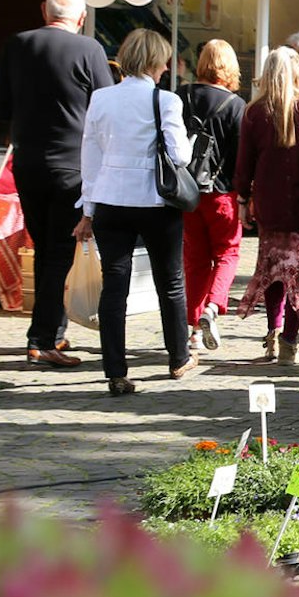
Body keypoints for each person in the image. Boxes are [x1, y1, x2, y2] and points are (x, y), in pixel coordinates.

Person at [0, 0, 114, 367]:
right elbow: (106, 105)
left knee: (45, 249)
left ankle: (53, 332)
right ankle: (41, 339)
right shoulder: (89, 50)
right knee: (60, 253)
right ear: (79, 18)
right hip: (71, 167)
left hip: (28, 163)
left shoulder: (18, 44)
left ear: (44, 12)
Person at [73, 28, 196, 396]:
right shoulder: (167, 100)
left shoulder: (101, 98)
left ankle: (115, 370)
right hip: (156, 201)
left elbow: (90, 158)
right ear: (157, 62)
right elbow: (180, 156)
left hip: (111, 199)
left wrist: (88, 209)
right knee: (170, 282)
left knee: (114, 287)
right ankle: (178, 357)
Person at [235, 47, 299, 364]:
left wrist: (242, 199)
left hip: (270, 205)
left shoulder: (254, 111)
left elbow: (244, 164)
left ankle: (272, 332)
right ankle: (289, 343)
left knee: (274, 271)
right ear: (297, 73)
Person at [179, 39, 247, 352]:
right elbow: (240, 158)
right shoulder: (235, 106)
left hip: (186, 192)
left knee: (194, 260)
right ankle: (213, 306)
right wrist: (245, 195)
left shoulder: (182, 96)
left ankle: (193, 328)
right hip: (222, 194)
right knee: (228, 253)